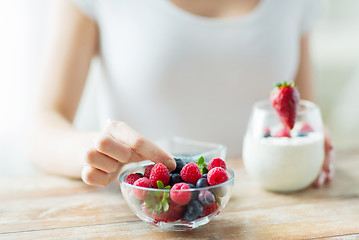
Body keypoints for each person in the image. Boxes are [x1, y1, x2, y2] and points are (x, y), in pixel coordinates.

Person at [28, 0, 334, 187]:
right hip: (146, 206)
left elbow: (303, 114)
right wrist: (93, 151)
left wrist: (312, 144)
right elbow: (42, 127)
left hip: (270, 207)